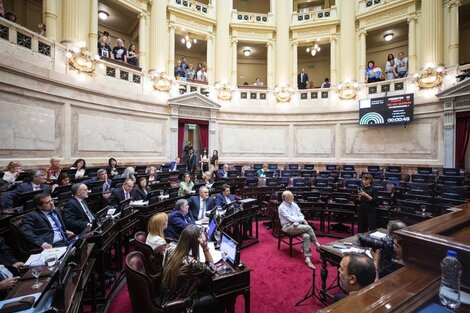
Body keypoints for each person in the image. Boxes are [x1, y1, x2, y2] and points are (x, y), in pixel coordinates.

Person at [161, 225, 220, 312]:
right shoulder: (190, 262)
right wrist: (205, 248)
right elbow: (212, 269)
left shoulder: (170, 246)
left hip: (167, 295)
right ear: (196, 242)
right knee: (217, 297)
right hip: (181, 304)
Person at [278, 190, 320, 269]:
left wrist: (299, 220)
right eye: (291, 196)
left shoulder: (294, 204)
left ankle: (307, 258)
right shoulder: (281, 207)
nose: (293, 197)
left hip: (297, 225)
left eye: (292, 195)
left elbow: (301, 215)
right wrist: (299, 220)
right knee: (308, 227)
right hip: (287, 227)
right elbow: (290, 218)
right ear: (286, 198)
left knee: (307, 236)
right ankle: (317, 245)